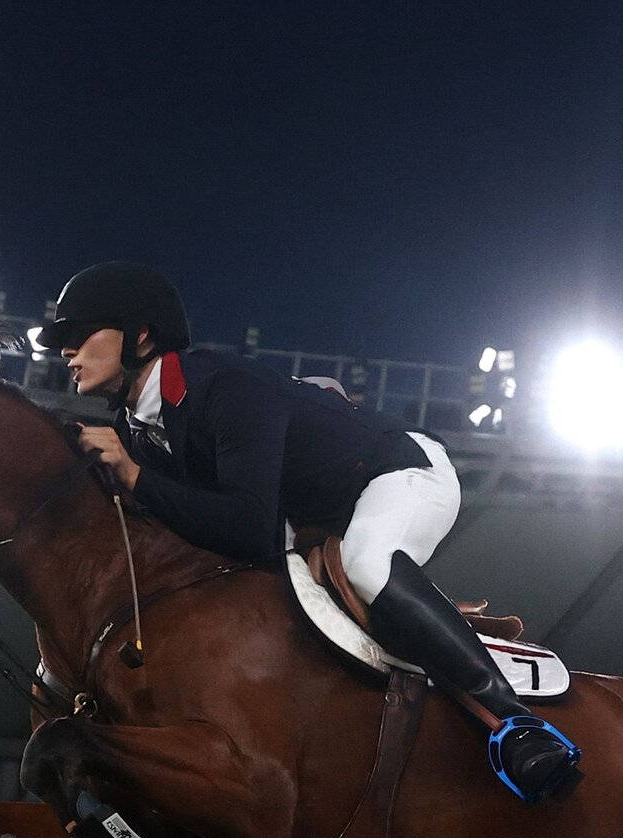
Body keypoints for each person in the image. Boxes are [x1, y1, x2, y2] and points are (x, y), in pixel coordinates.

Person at [36, 262, 582, 808]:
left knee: (368, 562)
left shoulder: (224, 386)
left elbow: (251, 529)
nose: (66, 351)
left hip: (400, 473)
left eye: (79, 335)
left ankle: (518, 724)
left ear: (142, 335)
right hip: (317, 520)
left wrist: (135, 476)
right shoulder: (139, 426)